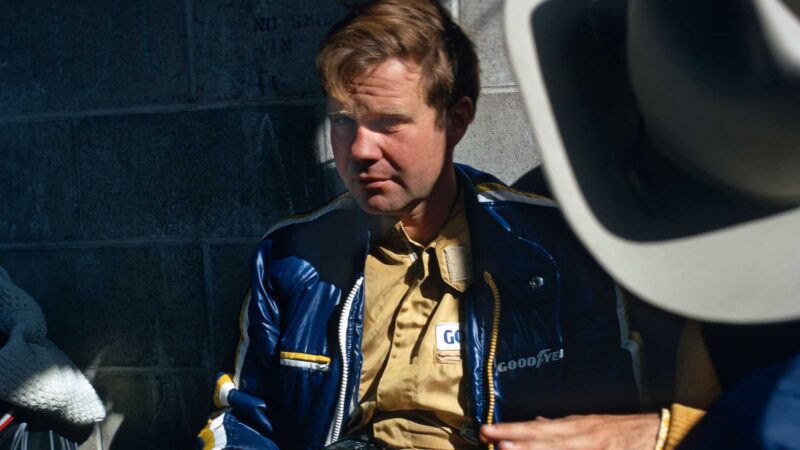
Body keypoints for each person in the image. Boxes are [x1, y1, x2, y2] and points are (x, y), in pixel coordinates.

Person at [197, 1, 641, 449]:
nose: (361, 150)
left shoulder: (552, 246)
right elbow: (246, 420)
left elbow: (614, 419)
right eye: (343, 122)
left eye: (388, 123)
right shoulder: (290, 257)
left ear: (455, 121)